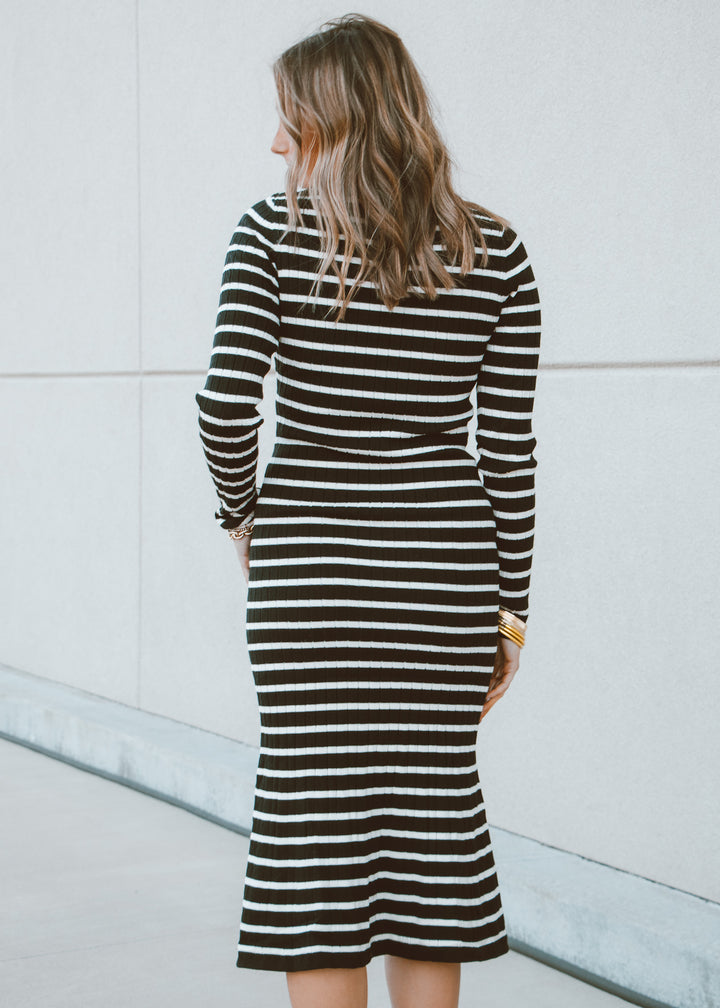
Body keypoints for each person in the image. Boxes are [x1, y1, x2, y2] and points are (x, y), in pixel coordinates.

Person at [195, 13, 541, 1008]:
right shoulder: (500, 253)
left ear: (336, 120)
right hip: (442, 580)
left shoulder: (269, 231)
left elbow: (225, 404)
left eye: (288, 117)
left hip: (311, 576)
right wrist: (507, 614)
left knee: (317, 851)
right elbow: (507, 454)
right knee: (434, 836)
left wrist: (246, 521)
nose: (273, 142)